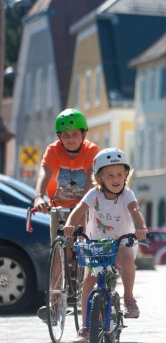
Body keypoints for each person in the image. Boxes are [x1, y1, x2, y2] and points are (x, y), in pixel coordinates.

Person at [63, 148, 148, 343]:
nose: (115, 178)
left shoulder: (127, 194)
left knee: (126, 259)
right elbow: (78, 210)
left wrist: (141, 227)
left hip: (122, 243)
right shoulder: (94, 194)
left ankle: (128, 298)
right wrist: (69, 224)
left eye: (120, 174)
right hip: (97, 245)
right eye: (109, 175)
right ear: (99, 177)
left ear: (126, 175)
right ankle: (85, 327)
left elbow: (135, 211)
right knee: (88, 283)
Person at [32, 108, 100, 321]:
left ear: (83, 135)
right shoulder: (53, 150)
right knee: (59, 251)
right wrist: (39, 197)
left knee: (83, 248)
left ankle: (86, 289)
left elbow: (91, 177)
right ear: (59, 137)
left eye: (74, 135)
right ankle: (54, 305)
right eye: (65, 135)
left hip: (82, 206)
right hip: (59, 207)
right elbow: (45, 174)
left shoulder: (91, 150)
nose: (70, 139)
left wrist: (84, 205)